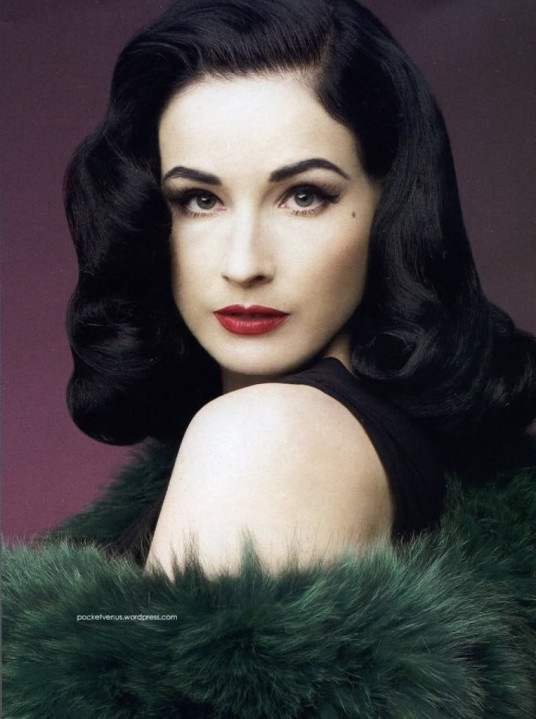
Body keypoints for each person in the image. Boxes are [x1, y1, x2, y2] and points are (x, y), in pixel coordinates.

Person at [5, 1, 536, 716]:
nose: (244, 262)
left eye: (304, 196)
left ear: (391, 204)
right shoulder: (364, 432)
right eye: (199, 199)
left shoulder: (266, 435)